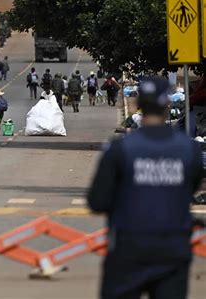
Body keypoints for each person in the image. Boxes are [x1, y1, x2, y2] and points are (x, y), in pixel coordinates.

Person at [87, 77, 204, 299]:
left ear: (139, 102)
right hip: (173, 249)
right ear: (167, 104)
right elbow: (191, 187)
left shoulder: (120, 149)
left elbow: (97, 201)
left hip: (129, 248)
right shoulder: (189, 150)